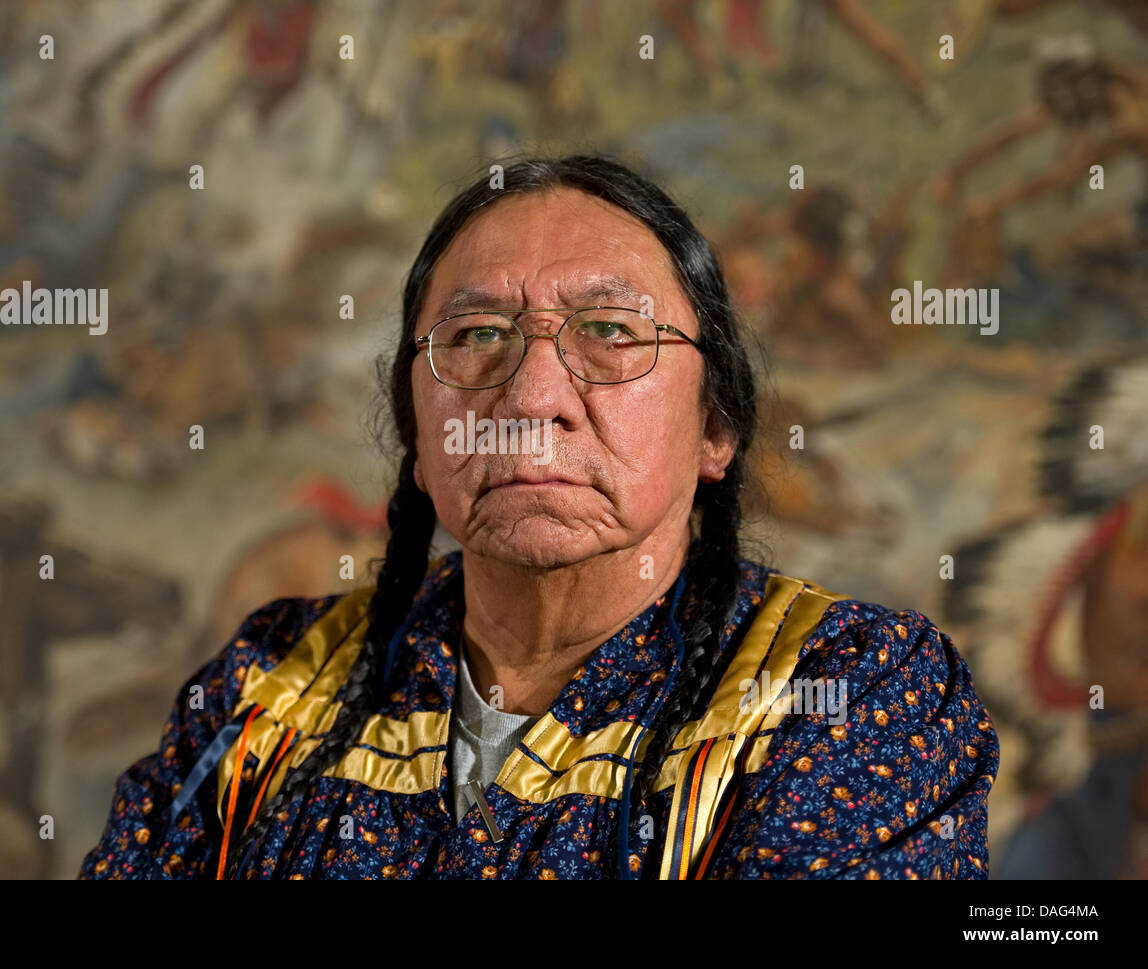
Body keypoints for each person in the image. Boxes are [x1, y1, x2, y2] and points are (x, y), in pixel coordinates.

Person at [79, 154, 998, 880]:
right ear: (415, 429)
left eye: (608, 331)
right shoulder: (269, 688)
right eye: (477, 337)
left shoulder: (848, 693)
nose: (532, 395)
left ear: (715, 426)